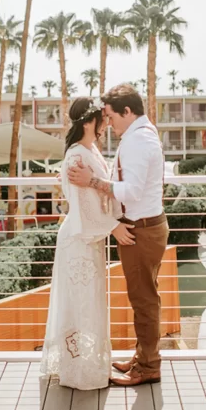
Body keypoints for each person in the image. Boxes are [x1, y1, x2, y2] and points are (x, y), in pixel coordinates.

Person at [68, 83, 169, 387]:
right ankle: (143, 358)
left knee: (144, 302)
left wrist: (93, 181)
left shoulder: (138, 141)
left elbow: (133, 191)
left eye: (111, 116)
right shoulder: (141, 135)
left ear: (127, 111)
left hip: (142, 229)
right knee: (144, 298)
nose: (108, 124)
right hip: (143, 226)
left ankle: (149, 366)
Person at [40, 97, 134, 390]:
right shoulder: (76, 156)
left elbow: (95, 192)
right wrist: (114, 226)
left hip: (89, 240)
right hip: (79, 241)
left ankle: (91, 368)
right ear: (89, 121)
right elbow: (83, 206)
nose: (107, 122)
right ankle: (80, 372)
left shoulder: (87, 150)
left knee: (90, 304)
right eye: (102, 118)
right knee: (81, 306)